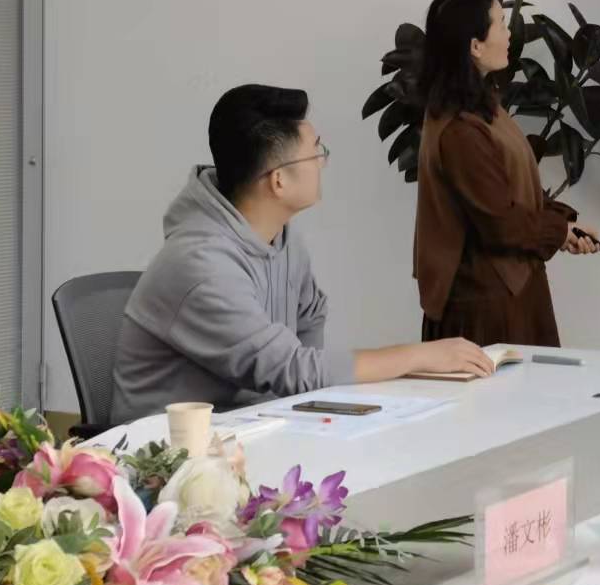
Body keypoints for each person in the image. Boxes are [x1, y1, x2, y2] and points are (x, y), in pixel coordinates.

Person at [110, 85, 496, 423]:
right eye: (315, 153)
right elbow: (293, 369)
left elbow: (310, 315)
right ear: (278, 180)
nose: (322, 162)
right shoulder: (200, 265)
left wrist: (310, 395)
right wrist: (419, 356)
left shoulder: (279, 234)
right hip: (174, 452)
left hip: (253, 425)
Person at [412, 0, 600, 348]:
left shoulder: (480, 106)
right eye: (500, 23)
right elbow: (501, 223)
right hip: (486, 310)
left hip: (508, 293)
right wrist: (558, 231)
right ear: (475, 46)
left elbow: (509, 191)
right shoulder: (459, 129)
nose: (510, 32)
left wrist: (565, 225)